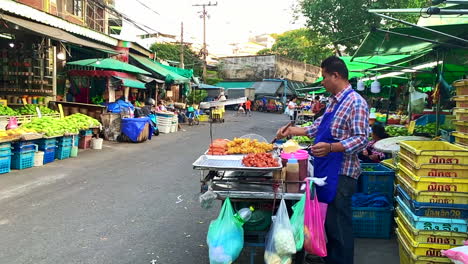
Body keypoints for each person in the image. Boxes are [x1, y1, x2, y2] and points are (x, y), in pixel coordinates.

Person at [276, 56, 369, 264]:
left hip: (342, 174)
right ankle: (332, 259)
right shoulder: (333, 102)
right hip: (326, 171)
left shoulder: (356, 102)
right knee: (329, 223)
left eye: (325, 77)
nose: (323, 81)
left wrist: (331, 147)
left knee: (339, 226)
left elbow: (362, 139)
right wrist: (290, 131)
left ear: (336, 75)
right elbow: (315, 128)